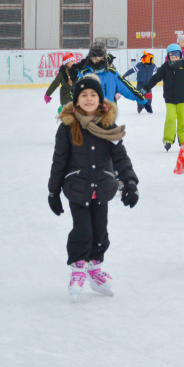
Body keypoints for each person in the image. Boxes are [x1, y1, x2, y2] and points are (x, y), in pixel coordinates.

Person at [47, 74, 140, 299]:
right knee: (82, 230)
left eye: (93, 95)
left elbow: (120, 157)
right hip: (77, 188)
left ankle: (94, 268)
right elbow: (59, 160)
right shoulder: (68, 127)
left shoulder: (109, 126)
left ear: (100, 99)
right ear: (77, 100)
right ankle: (78, 270)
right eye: (84, 95)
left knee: (100, 231)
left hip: (103, 187)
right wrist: (53, 190)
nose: (89, 99)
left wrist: (130, 181)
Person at [143, 43, 184, 151]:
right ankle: (168, 139)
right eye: (172, 57)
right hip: (170, 99)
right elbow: (155, 78)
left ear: (180, 56)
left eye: (176, 57)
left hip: (183, 98)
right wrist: (146, 88)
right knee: (170, 119)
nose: (174, 59)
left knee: (183, 120)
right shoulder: (165, 67)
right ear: (169, 57)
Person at [78, 41, 147, 107]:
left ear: (104, 57)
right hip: (88, 114)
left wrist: (138, 96)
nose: (96, 61)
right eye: (94, 58)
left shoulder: (111, 74)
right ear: (89, 58)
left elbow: (125, 87)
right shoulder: (83, 73)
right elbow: (74, 92)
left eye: (99, 58)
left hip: (107, 113)